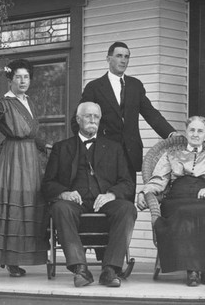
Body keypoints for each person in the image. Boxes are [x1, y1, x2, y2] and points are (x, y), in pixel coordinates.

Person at [137, 116, 205, 287]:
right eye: (192, 130)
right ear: (186, 132)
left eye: (200, 131)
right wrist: (144, 192)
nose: (195, 134)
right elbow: (158, 180)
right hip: (177, 199)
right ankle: (192, 271)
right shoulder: (170, 155)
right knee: (185, 211)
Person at [43, 102, 137, 288]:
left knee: (127, 209)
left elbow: (127, 183)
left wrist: (111, 194)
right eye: (88, 116)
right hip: (74, 202)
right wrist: (64, 193)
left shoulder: (114, 148)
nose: (93, 120)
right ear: (78, 119)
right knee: (60, 208)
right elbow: (47, 184)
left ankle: (110, 269)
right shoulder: (61, 148)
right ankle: (80, 269)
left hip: (105, 201)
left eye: (96, 116)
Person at [72, 41, 178, 189]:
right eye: (119, 56)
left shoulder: (135, 85)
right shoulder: (94, 87)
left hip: (130, 153)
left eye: (126, 57)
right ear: (109, 59)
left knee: (127, 197)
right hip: (103, 154)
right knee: (104, 198)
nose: (123, 60)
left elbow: (151, 113)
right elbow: (77, 121)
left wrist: (171, 133)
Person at [0, 59, 48, 277]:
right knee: (13, 206)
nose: (22, 81)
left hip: (31, 157)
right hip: (13, 158)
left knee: (29, 204)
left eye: (26, 77)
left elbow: (33, 132)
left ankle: (25, 257)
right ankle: (10, 260)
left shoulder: (29, 102)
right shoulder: (3, 104)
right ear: (10, 80)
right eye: (18, 77)